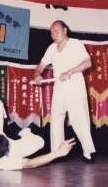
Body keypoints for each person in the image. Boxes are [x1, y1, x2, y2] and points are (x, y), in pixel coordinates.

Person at [0, 96, 76, 170]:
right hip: (9, 149)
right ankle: (25, 132)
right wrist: (57, 153)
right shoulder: (3, 163)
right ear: (5, 153)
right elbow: (30, 163)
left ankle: (4, 124)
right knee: (40, 142)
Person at [34, 20, 96, 163]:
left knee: (79, 119)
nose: (53, 35)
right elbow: (40, 66)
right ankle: (57, 153)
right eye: (51, 32)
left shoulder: (75, 44)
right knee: (56, 118)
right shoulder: (51, 48)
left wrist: (70, 71)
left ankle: (88, 152)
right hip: (59, 87)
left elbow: (88, 63)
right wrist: (37, 74)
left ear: (65, 30)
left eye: (56, 31)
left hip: (74, 85)